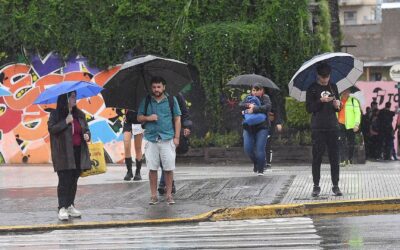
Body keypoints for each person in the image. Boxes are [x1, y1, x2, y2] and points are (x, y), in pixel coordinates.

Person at [137, 76, 181, 205]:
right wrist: (149, 118)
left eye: (159, 87)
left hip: (167, 138)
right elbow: (139, 117)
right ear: (151, 87)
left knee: (168, 168)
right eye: (154, 87)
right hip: (151, 139)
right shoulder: (146, 101)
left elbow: (177, 118)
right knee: (152, 169)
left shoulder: (171, 100)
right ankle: (153, 195)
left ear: (164, 87)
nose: (156, 89)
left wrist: (177, 137)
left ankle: (168, 195)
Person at [48, 91, 91, 221]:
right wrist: (65, 121)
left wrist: (87, 135)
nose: (75, 99)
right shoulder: (55, 114)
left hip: (78, 152)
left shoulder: (79, 114)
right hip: (63, 153)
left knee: (73, 180)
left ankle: (70, 205)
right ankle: (62, 208)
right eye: (72, 97)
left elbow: (86, 129)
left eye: (75, 96)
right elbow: (52, 129)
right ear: (65, 99)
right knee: (64, 181)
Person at [305, 62, 342, 197]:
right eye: (323, 77)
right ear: (318, 75)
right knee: (317, 158)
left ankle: (336, 185)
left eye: (327, 76)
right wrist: (320, 101)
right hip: (318, 127)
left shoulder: (333, 87)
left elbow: (337, 107)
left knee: (334, 158)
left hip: (333, 126)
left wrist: (338, 105)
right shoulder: (312, 88)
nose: (325, 79)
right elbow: (309, 108)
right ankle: (316, 186)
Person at [158, 92, 193, 195]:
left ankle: (163, 183)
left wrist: (186, 126)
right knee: (161, 158)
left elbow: (184, 113)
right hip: (157, 131)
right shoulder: (151, 97)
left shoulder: (176, 95)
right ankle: (169, 182)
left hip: (172, 131)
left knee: (167, 157)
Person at [239, 82, 271, 176]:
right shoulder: (248, 98)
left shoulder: (265, 98)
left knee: (260, 148)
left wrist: (255, 108)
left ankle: (261, 169)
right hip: (249, 127)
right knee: (247, 149)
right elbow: (240, 105)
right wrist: (248, 106)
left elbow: (267, 107)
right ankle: (256, 163)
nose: (255, 92)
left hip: (262, 127)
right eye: (254, 90)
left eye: (258, 90)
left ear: (262, 90)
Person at [117, 109, 144, 181]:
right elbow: (118, 109)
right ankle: (129, 171)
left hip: (138, 122)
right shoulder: (127, 98)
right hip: (128, 122)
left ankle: (138, 172)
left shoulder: (141, 98)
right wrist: (122, 115)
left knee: (138, 147)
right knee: (126, 145)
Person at [338, 88, 361, 166]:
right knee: (341, 142)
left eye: (347, 91)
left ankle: (350, 159)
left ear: (350, 92)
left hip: (351, 126)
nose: (345, 92)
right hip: (340, 124)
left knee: (351, 143)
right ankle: (342, 160)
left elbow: (358, 113)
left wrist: (357, 124)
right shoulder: (338, 101)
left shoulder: (353, 101)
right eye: (344, 91)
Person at [264, 89, 283, 171]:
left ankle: (267, 162)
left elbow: (276, 110)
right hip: (258, 123)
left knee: (267, 143)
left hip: (268, 123)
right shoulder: (253, 98)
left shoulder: (271, 97)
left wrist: (278, 122)